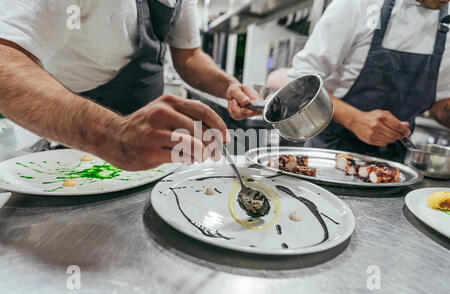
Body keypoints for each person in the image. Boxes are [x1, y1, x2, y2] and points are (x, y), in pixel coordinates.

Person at [0, 0, 260, 170]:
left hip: (149, 152)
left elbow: (189, 56)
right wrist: (112, 134)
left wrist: (228, 85)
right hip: (70, 148)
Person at [289, 0, 450, 161]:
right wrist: (353, 119)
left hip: (395, 165)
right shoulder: (358, 4)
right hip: (331, 156)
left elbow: (440, 101)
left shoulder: (446, 22)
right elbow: (301, 80)